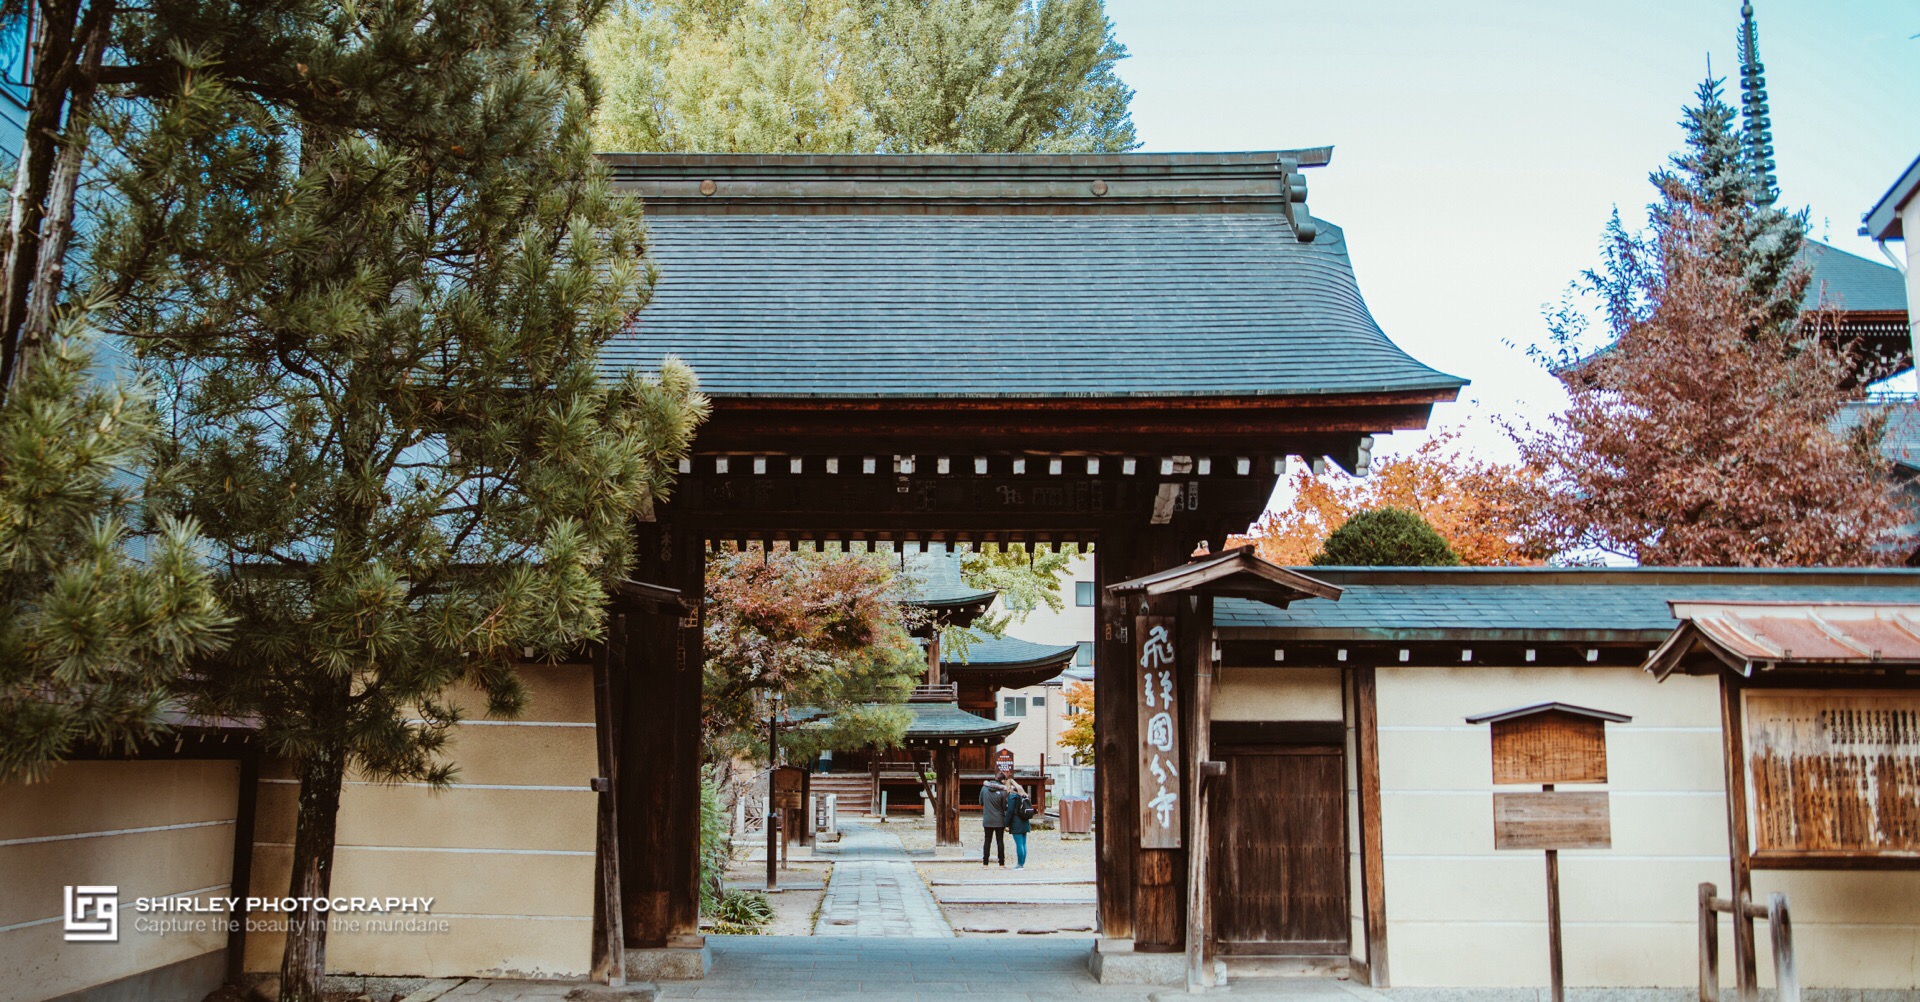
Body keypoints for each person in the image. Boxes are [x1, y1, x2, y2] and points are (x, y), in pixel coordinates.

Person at [979, 767, 1012, 866]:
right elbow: (1004, 807)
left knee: (987, 841)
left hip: (988, 818)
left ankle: (985, 864)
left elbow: (981, 802)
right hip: (999, 819)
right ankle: (1001, 863)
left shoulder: (984, 788)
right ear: (1002, 780)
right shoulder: (1002, 791)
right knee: (1000, 841)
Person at [1005, 776, 1033, 868]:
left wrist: (1006, 824)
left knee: (1019, 844)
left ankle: (1019, 864)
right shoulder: (1024, 795)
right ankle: (1022, 863)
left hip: (1016, 822)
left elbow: (1010, 811)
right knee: (1023, 844)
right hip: (1025, 821)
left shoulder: (1012, 796)